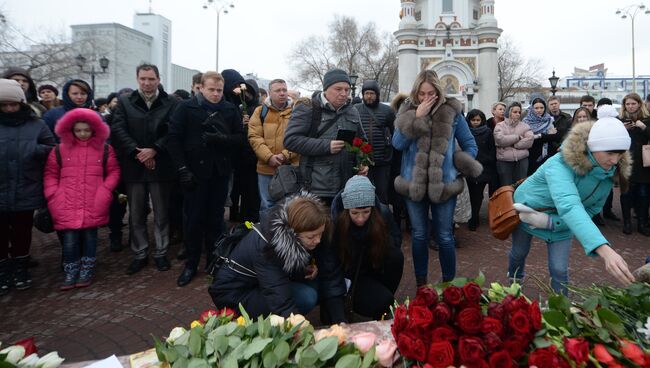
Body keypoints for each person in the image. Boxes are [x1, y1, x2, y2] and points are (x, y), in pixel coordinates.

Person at [508, 105, 636, 295]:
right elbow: (569, 204)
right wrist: (604, 249)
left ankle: (562, 308)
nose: (615, 161)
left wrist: (552, 223)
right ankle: (513, 283)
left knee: (559, 268)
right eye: (610, 153)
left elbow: (592, 209)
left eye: (620, 154)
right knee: (519, 252)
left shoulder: (610, 173)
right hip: (527, 211)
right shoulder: (560, 164)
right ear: (593, 147)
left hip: (562, 221)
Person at [392, 69, 481, 286]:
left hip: (444, 185)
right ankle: (421, 284)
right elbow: (397, 144)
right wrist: (416, 118)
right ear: (415, 93)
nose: (426, 98)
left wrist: (457, 166)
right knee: (420, 235)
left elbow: (470, 144)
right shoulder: (407, 109)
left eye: (430, 93)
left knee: (445, 236)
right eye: (421, 94)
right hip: (414, 183)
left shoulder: (452, 111)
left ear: (438, 92)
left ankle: (449, 285)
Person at [208, 192, 346, 322]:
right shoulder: (266, 247)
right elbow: (278, 297)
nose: (318, 240)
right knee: (306, 297)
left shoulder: (298, 231)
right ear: (293, 232)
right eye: (311, 237)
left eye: (320, 234)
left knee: (314, 282)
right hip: (235, 295)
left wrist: (340, 320)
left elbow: (328, 271)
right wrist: (299, 329)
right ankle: (270, 328)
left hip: (259, 282)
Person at [167, 71, 243, 287]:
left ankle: (214, 260)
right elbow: (173, 139)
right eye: (211, 89)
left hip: (219, 174)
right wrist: (182, 169)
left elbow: (240, 139)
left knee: (216, 220)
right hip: (193, 174)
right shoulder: (186, 107)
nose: (216, 94)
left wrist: (222, 139)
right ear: (200, 87)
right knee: (193, 220)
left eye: (219, 90)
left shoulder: (229, 109)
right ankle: (191, 263)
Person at [111, 64, 179, 275]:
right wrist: (138, 152)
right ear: (137, 79)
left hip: (160, 165)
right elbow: (118, 129)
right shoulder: (124, 102)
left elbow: (173, 130)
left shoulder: (172, 102)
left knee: (161, 213)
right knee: (136, 214)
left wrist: (155, 150)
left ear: (158, 79)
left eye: (151, 79)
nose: (147, 83)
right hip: (134, 166)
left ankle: (161, 252)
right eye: (143, 79)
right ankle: (140, 253)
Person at [43, 108, 120, 290]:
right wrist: (53, 194)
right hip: (66, 201)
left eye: (86, 130)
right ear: (70, 130)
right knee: (69, 239)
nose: (83, 134)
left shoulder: (105, 149)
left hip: (93, 199)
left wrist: (106, 189)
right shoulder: (59, 150)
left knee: (90, 237)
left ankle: (87, 269)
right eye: (78, 130)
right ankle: (71, 270)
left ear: (94, 129)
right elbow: (50, 173)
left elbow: (114, 171)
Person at [0, 79, 56, 295]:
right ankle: (4, 270)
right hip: (3, 184)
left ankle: (21, 268)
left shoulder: (36, 124)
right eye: (4, 105)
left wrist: (34, 149)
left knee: (22, 231)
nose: (9, 109)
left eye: (13, 105)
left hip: (26, 184)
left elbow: (52, 148)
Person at [284, 68, 367, 205]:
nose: (343, 94)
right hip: (317, 186)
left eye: (346, 90)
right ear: (326, 89)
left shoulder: (352, 111)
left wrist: (363, 162)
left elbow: (362, 142)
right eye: (338, 89)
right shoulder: (308, 108)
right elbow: (291, 140)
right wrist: (326, 146)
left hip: (347, 185)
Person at [330, 176, 403, 320]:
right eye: (355, 213)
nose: (361, 218)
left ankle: (382, 294)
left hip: (372, 267)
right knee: (382, 301)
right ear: (347, 210)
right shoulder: (335, 223)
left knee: (395, 257)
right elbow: (332, 266)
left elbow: (396, 240)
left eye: (366, 212)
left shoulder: (383, 213)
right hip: (349, 275)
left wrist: (375, 239)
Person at [247, 78, 299, 216]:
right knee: (267, 205)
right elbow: (254, 137)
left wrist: (285, 155)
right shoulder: (260, 112)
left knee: (291, 207)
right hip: (266, 168)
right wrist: (269, 157)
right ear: (270, 93)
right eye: (278, 90)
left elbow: (301, 137)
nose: (282, 93)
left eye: (284, 90)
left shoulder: (297, 111)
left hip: (290, 167)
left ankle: (288, 237)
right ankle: (267, 236)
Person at [354, 80, 396, 204]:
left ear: (377, 95)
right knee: (364, 193)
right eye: (366, 93)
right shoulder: (355, 110)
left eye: (372, 93)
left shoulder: (387, 111)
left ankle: (382, 220)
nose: (369, 96)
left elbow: (394, 133)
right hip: (363, 161)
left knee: (382, 193)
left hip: (383, 160)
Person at [619, 93, 650, 236]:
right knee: (626, 193)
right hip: (626, 162)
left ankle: (642, 224)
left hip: (643, 162)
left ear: (639, 104)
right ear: (624, 106)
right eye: (627, 104)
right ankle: (627, 223)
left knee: (644, 194)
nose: (630, 107)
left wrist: (643, 127)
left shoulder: (647, 119)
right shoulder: (620, 121)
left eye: (633, 103)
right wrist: (622, 130)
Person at [465, 109, 497, 231]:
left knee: (478, 195)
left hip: (484, 168)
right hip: (469, 168)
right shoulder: (466, 132)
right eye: (473, 120)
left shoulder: (488, 132)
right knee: (470, 194)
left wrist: (484, 160)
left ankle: (474, 218)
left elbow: (492, 150)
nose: (476, 123)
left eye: (478, 120)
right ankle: (471, 216)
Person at [494, 102, 534, 186]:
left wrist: (514, 144)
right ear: (509, 112)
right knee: (506, 187)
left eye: (519, 112)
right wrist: (517, 137)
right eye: (515, 112)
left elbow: (530, 140)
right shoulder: (500, 126)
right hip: (504, 161)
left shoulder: (525, 126)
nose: (518, 114)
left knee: (521, 186)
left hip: (522, 160)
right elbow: (500, 140)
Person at [524, 97, 558, 175]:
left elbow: (555, 136)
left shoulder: (549, 119)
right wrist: (546, 136)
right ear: (532, 109)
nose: (539, 110)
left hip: (549, 155)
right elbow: (528, 139)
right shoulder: (526, 122)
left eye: (541, 107)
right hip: (532, 155)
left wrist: (539, 136)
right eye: (536, 108)